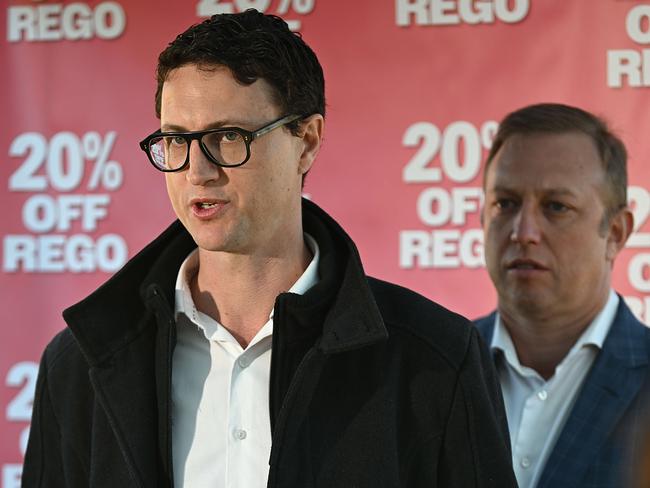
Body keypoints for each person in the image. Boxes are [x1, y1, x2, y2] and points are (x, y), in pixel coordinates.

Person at [22, 10, 516, 488]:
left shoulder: (435, 358)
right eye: (176, 140)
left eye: (228, 137)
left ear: (307, 140)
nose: (198, 172)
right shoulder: (79, 365)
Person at [476, 102, 650, 488]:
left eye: (556, 207)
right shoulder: (424, 371)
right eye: (505, 203)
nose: (523, 231)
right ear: (483, 217)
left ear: (617, 232)